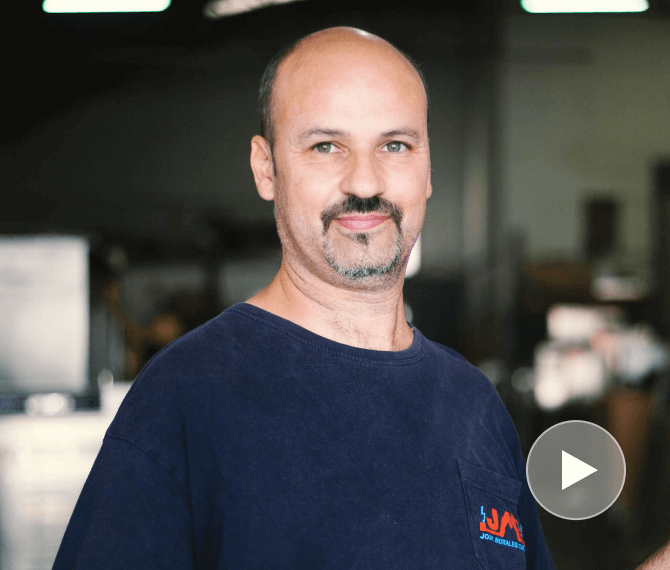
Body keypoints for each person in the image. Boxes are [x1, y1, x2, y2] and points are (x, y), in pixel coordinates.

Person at [52, 26, 554, 569]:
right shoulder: (186, 398)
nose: (365, 182)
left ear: (428, 167)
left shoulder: (475, 405)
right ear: (266, 168)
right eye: (326, 146)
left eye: (395, 145)